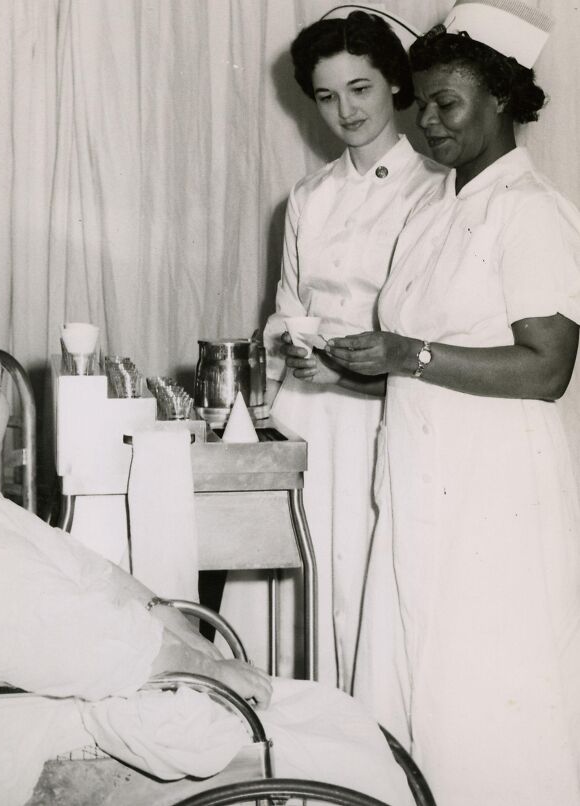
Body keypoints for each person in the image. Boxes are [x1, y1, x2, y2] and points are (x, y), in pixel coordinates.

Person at [0, 303, 416, 806]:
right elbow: (69, 644)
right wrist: (197, 667)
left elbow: (80, 566)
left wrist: (165, 616)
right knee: (330, 752)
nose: (5, 400)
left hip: (67, 687)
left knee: (329, 718)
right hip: (22, 719)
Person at [320, 2, 580, 803]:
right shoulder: (433, 212)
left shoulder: (530, 209)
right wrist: (354, 364)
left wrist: (409, 355)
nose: (426, 121)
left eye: (448, 103)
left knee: (484, 696)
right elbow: (416, 351)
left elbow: (548, 366)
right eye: (421, 101)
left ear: (502, 98)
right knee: (413, 681)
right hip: (420, 479)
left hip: (494, 489)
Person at [221, 7, 445, 688]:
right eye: (325, 95)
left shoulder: (433, 191)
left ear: (394, 86)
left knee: (357, 582)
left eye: (360, 88)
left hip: (379, 414)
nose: (344, 110)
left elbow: (425, 330)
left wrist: (344, 369)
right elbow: (287, 307)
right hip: (305, 413)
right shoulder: (308, 197)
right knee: (290, 574)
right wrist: (290, 345)